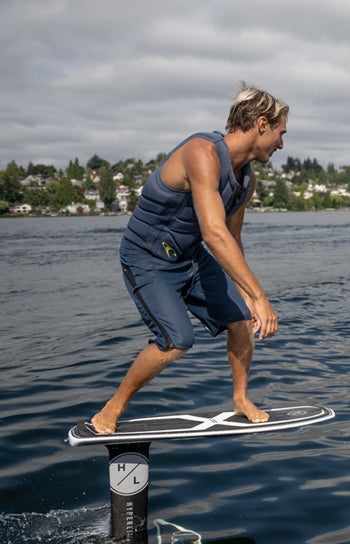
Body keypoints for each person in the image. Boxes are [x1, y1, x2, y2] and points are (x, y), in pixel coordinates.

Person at [90, 84, 289, 435]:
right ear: (262, 124)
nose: (282, 144)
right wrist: (260, 296)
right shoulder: (202, 153)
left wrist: (246, 294)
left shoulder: (246, 180)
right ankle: (114, 405)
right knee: (176, 340)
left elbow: (232, 237)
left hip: (189, 256)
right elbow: (213, 233)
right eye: (280, 133)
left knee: (242, 320)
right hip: (147, 258)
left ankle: (241, 399)